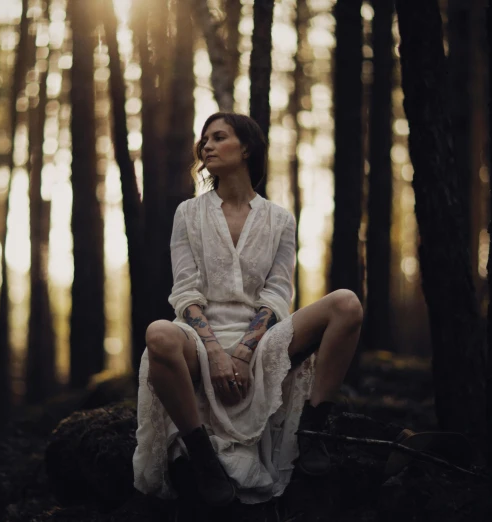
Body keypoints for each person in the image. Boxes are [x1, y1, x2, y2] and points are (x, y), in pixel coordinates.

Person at [132, 112, 362, 506]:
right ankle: (202, 456)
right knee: (158, 334)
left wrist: (244, 350)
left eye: (218, 137)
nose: (206, 146)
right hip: (199, 338)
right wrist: (218, 354)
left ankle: (313, 431)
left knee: (347, 303)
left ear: (247, 148)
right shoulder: (188, 213)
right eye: (204, 140)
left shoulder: (280, 219)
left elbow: (276, 295)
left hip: (264, 338)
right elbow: (185, 293)